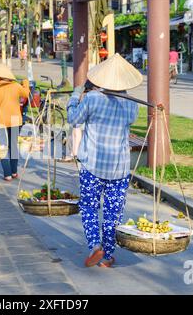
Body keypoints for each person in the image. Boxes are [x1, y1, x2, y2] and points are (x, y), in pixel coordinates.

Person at [67, 53, 142, 268]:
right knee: (113, 211)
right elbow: (129, 121)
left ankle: (95, 246)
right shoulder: (131, 105)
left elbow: (74, 119)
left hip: (93, 164)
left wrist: (75, 96)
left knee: (89, 207)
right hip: (119, 167)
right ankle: (107, 256)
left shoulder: (91, 99)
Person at [0, 64, 30, 181]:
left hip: (1, 122)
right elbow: (26, 94)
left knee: (3, 148)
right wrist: (25, 82)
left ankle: (7, 174)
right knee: (14, 146)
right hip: (15, 120)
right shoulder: (16, 86)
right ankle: (14, 172)